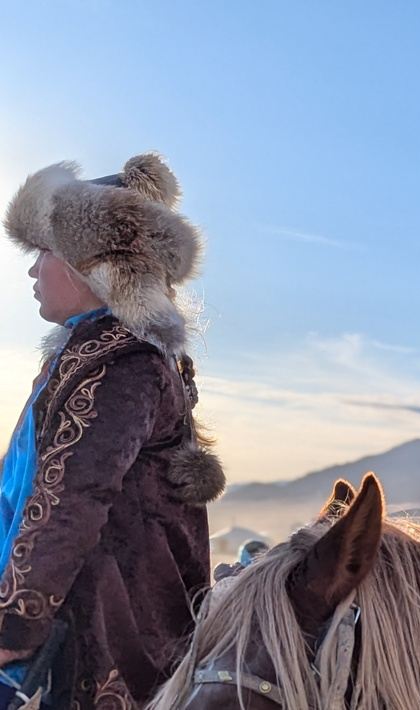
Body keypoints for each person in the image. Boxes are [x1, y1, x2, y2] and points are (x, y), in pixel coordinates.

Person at [0, 154, 224, 707]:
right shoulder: (87, 355)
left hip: (97, 632)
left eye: (44, 252)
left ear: (92, 266)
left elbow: (74, 496)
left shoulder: (120, 367)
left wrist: (14, 624)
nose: (32, 271)